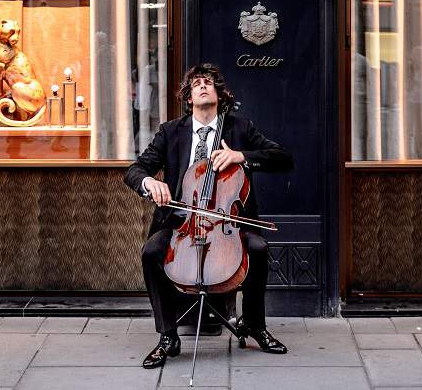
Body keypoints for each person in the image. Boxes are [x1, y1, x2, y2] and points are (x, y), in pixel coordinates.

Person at [124, 63, 294, 369]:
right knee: (151, 251)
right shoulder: (170, 132)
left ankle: (254, 324)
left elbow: (282, 158)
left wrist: (241, 156)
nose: (202, 86)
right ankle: (167, 335)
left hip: (227, 223)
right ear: (189, 97)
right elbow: (135, 170)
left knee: (258, 248)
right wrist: (149, 182)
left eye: (208, 83)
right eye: (196, 84)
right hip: (181, 223)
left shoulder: (240, 129)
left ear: (219, 94)